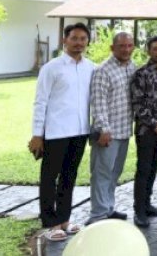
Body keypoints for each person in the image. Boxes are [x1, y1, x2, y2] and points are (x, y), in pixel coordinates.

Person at [29, 23, 94, 242]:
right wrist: (37, 134)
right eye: (74, 38)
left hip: (80, 131)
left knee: (69, 176)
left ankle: (64, 219)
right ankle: (50, 222)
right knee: (49, 177)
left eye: (83, 38)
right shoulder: (52, 68)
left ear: (87, 41)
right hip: (55, 131)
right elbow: (40, 102)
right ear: (64, 40)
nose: (78, 42)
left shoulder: (91, 68)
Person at [88, 32, 136, 224]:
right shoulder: (103, 70)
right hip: (107, 133)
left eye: (130, 45)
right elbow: (98, 103)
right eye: (122, 46)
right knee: (102, 173)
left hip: (124, 130)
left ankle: (108, 208)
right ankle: (98, 215)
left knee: (114, 172)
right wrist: (103, 130)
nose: (126, 49)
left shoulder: (131, 67)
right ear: (112, 48)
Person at [130, 35, 157, 228]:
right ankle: (139, 211)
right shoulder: (141, 74)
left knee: (154, 168)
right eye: (156, 48)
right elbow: (137, 104)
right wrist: (155, 123)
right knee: (144, 169)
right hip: (146, 129)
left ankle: (147, 205)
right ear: (149, 51)